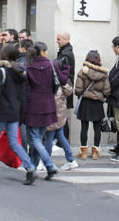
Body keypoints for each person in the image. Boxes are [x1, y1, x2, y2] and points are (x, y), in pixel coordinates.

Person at [0, 44, 37, 185]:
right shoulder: (21, 72)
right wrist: (22, 112)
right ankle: (29, 167)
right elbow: (24, 95)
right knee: (14, 142)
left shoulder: (2, 71)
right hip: (15, 110)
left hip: (1, 111)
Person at [25, 42, 69, 180]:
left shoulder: (28, 67)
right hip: (49, 105)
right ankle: (32, 169)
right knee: (38, 139)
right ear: (43, 52)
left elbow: (26, 89)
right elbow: (62, 80)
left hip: (33, 106)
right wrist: (67, 68)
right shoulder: (52, 65)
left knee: (34, 139)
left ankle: (48, 166)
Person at [75, 50, 110, 160]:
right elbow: (107, 91)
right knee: (97, 128)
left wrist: (83, 94)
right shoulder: (104, 74)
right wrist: (100, 97)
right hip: (97, 104)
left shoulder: (82, 72)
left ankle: (84, 153)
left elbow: (78, 90)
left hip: (85, 102)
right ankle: (95, 153)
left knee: (84, 128)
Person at [44, 75, 77, 171]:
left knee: (49, 138)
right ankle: (70, 160)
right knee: (61, 136)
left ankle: (47, 162)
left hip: (54, 116)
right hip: (61, 115)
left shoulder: (53, 85)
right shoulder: (63, 84)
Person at [55, 31, 75, 140]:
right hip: (65, 88)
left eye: (59, 39)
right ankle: (62, 140)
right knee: (62, 115)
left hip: (64, 88)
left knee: (62, 116)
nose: (57, 41)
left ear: (66, 40)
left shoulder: (66, 54)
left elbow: (62, 72)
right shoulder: (65, 52)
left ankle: (62, 140)